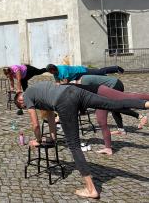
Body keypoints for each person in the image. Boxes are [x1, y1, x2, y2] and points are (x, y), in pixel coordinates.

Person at [14, 81, 149, 199]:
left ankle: (91, 190)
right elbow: (49, 115)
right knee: (112, 103)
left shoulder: (26, 97)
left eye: (24, 107)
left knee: (74, 146)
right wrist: (53, 137)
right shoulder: (38, 89)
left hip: (65, 101)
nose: (26, 107)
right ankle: (145, 103)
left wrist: (38, 140)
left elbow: (35, 124)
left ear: (20, 101)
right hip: (75, 91)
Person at [75, 75, 149, 155]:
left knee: (126, 98)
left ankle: (140, 115)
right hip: (97, 100)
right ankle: (108, 148)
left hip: (101, 91)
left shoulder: (80, 82)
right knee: (101, 121)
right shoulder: (68, 88)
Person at [46, 64, 124, 83]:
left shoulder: (62, 70)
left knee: (99, 72)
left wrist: (61, 84)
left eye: (50, 71)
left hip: (81, 71)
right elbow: (57, 83)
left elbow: (66, 82)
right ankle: (106, 77)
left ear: (53, 69)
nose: (50, 73)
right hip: (76, 77)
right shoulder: (54, 73)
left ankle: (116, 68)